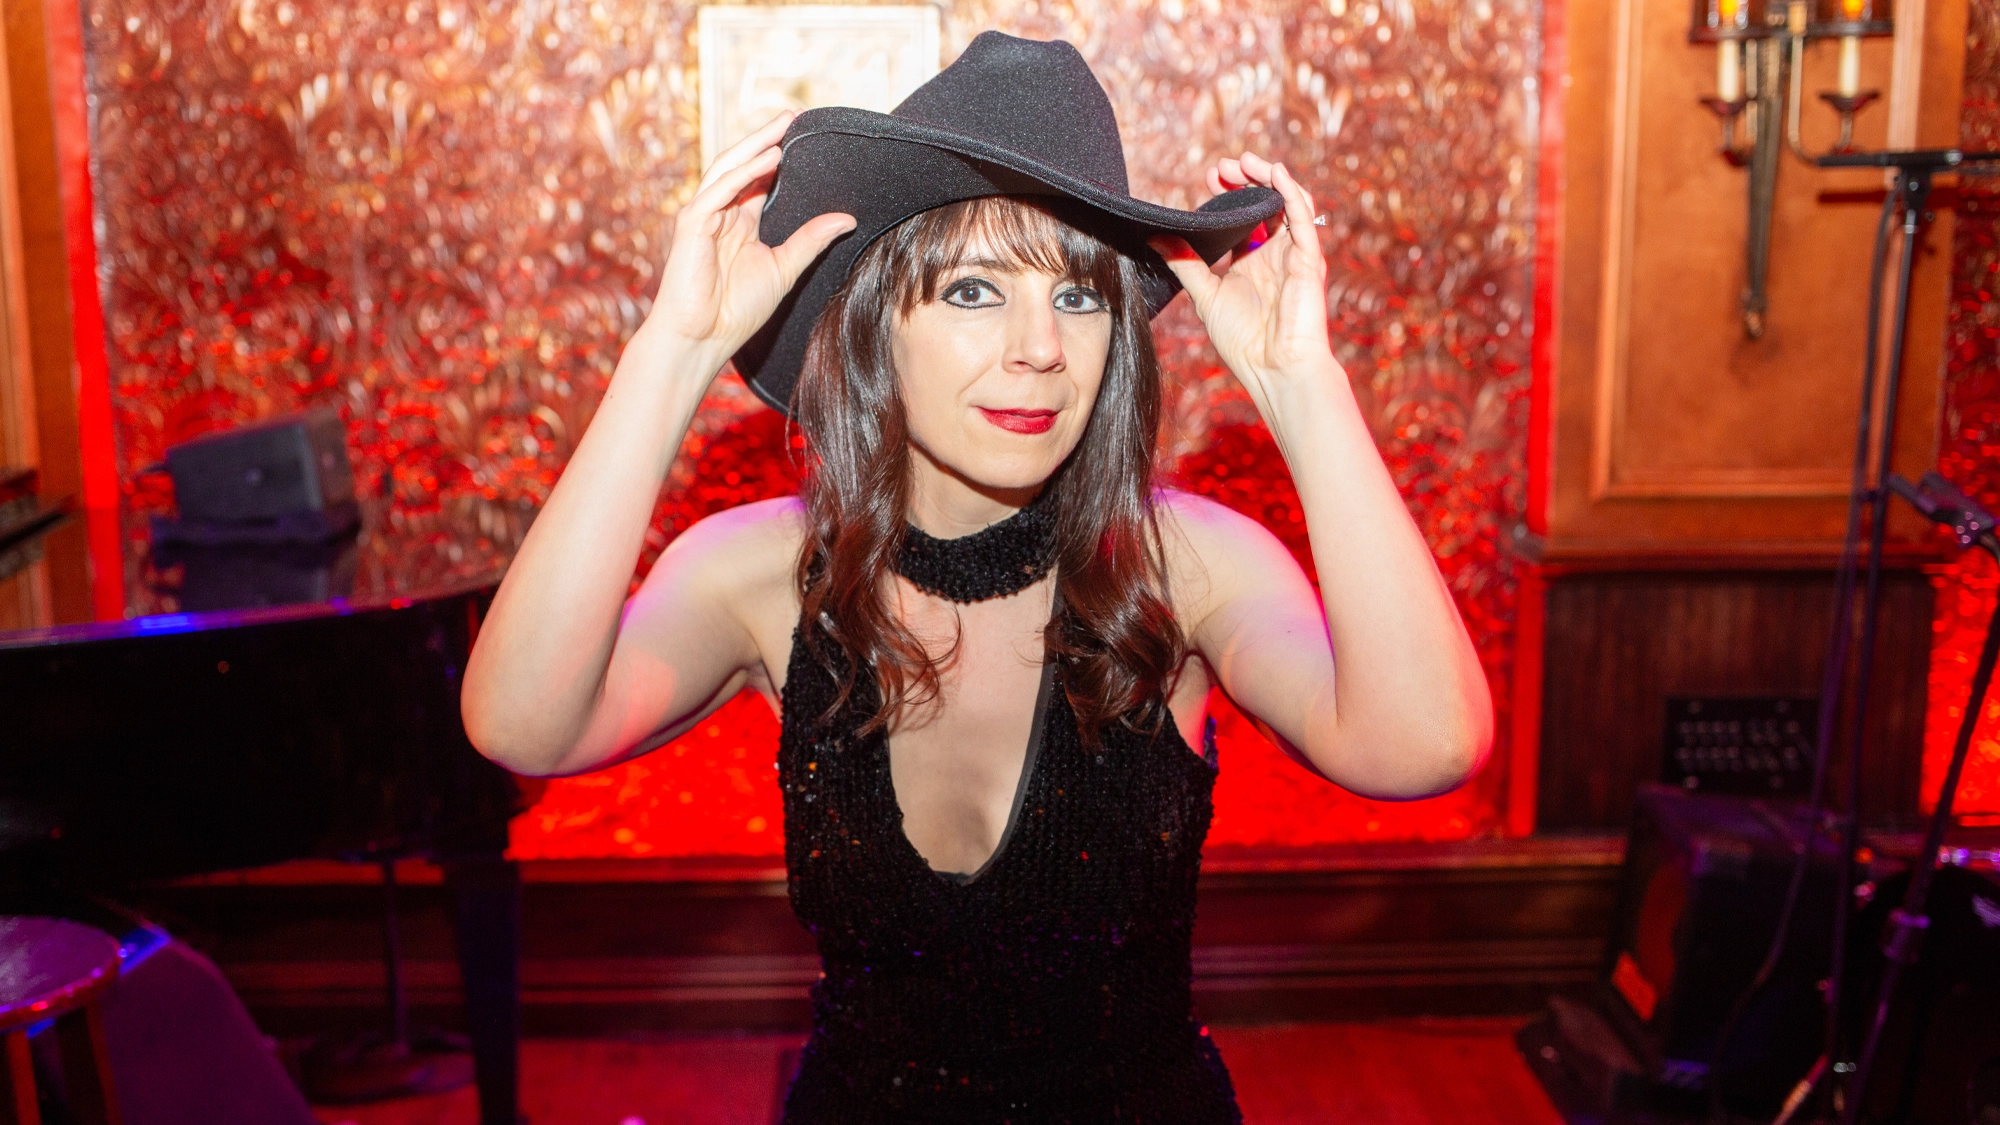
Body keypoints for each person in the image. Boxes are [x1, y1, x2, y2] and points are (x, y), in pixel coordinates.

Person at [463, 32, 1491, 1123]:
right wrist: (672, 353)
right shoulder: (763, 573)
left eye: (1080, 297)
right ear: (874, 323)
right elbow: (523, 728)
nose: (1039, 349)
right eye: (970, 291)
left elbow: (1422, 747)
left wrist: (1301, 385)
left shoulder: (1182, 567)